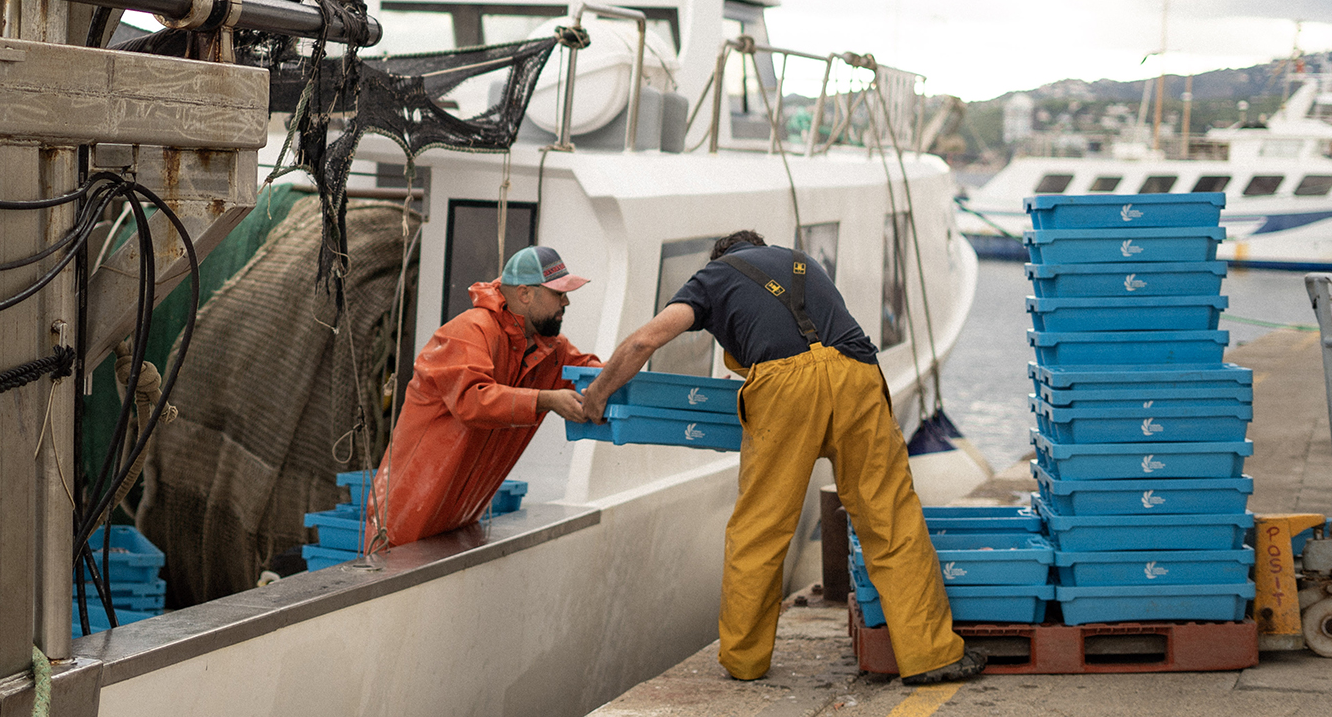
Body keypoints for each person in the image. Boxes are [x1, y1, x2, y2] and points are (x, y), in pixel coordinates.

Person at [578, 229, 984, 685]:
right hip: (857, 375)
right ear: (759, 247)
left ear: (721, 257)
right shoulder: (800, 262)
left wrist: (598, 393)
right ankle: (931, 656)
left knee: (761, 529)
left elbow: (644, 342)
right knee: (891, 520)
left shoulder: (713, 277)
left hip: (785, 390)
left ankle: (745, 660)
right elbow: (814, 339)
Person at [367, 246, 601, 547]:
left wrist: (639, 355)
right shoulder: (469, 331)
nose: (566, 301)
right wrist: (546, 399)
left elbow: (596, 374)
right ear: (525, 294)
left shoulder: (551, 347)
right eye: (558, 293)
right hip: (401, 525)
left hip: (459, 519)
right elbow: (472, 400)